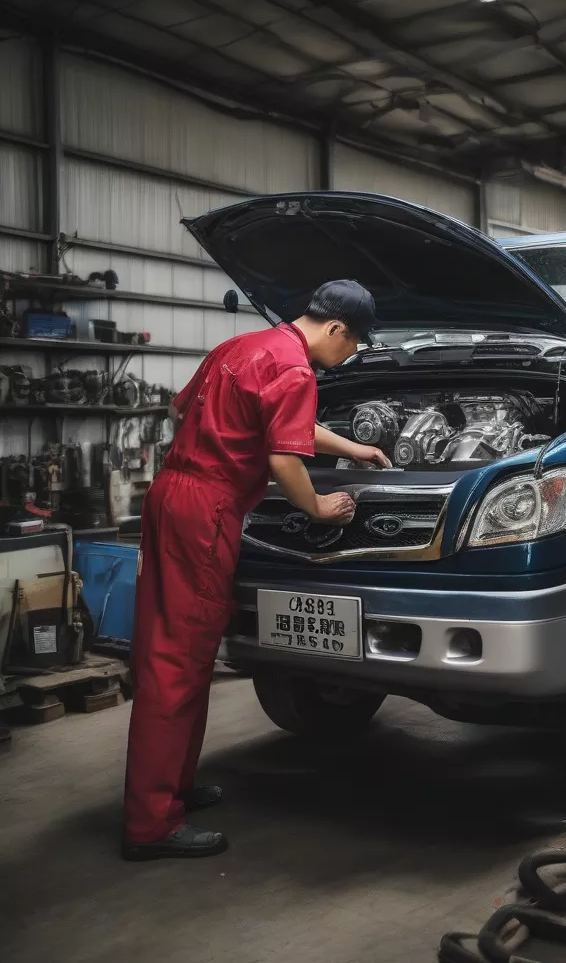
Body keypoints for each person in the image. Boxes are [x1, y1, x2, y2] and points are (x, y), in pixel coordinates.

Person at [122, 280, 391, 861]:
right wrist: (317, 506)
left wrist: (352, 449)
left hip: (172, 492)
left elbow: (199, 410)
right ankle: (151, 824)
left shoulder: (244, 346)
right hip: (208, 509)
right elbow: (282, 456)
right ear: (337, 330)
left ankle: (175, 787)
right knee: (178, 661)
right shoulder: (297, 370)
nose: (350, 356)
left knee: (176, 652)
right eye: (354, 345)